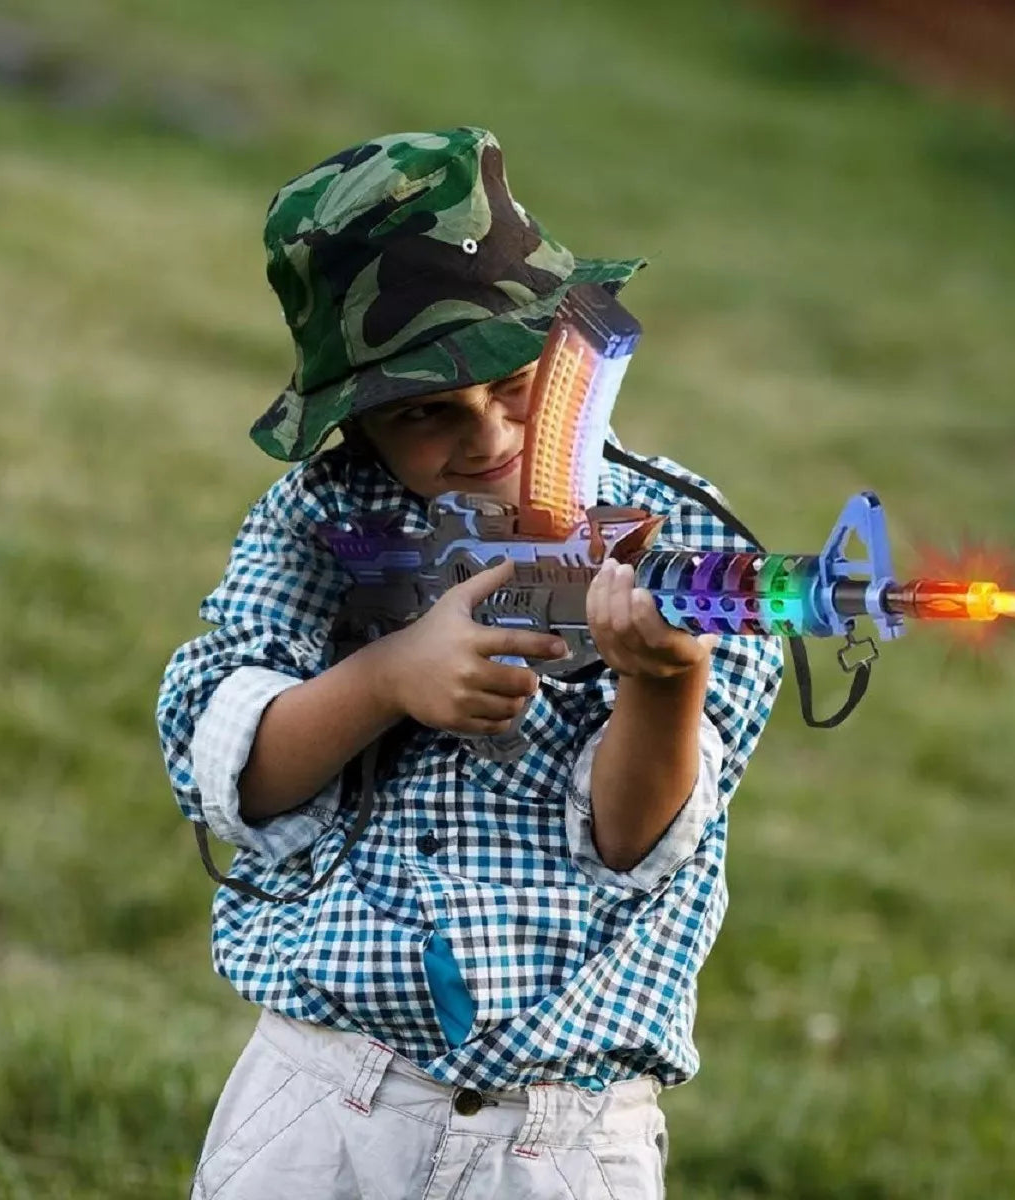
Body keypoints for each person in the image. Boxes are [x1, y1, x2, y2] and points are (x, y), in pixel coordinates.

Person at [157, 126, 784, 1200]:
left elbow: (636, 840)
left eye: (515, 385)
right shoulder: (321, 519)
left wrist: (665, 683)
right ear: (357, 425)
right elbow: (221, 756)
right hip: (327, 1100)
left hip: (564, 1135)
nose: (489, 436)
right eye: (426, 414)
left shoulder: (680, 538)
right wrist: (389, 676)